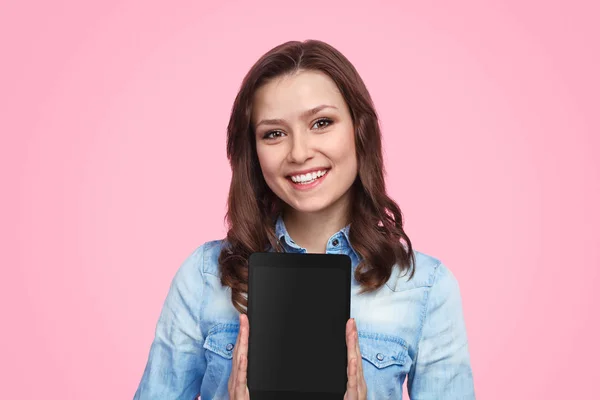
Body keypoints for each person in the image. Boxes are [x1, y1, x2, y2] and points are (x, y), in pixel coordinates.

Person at [133, 39, 475, 400]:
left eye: (321, 122)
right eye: (274, 133)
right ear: (253, 150)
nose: (299, 152)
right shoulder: (203, 276)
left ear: (360, 131)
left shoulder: (424, 287)